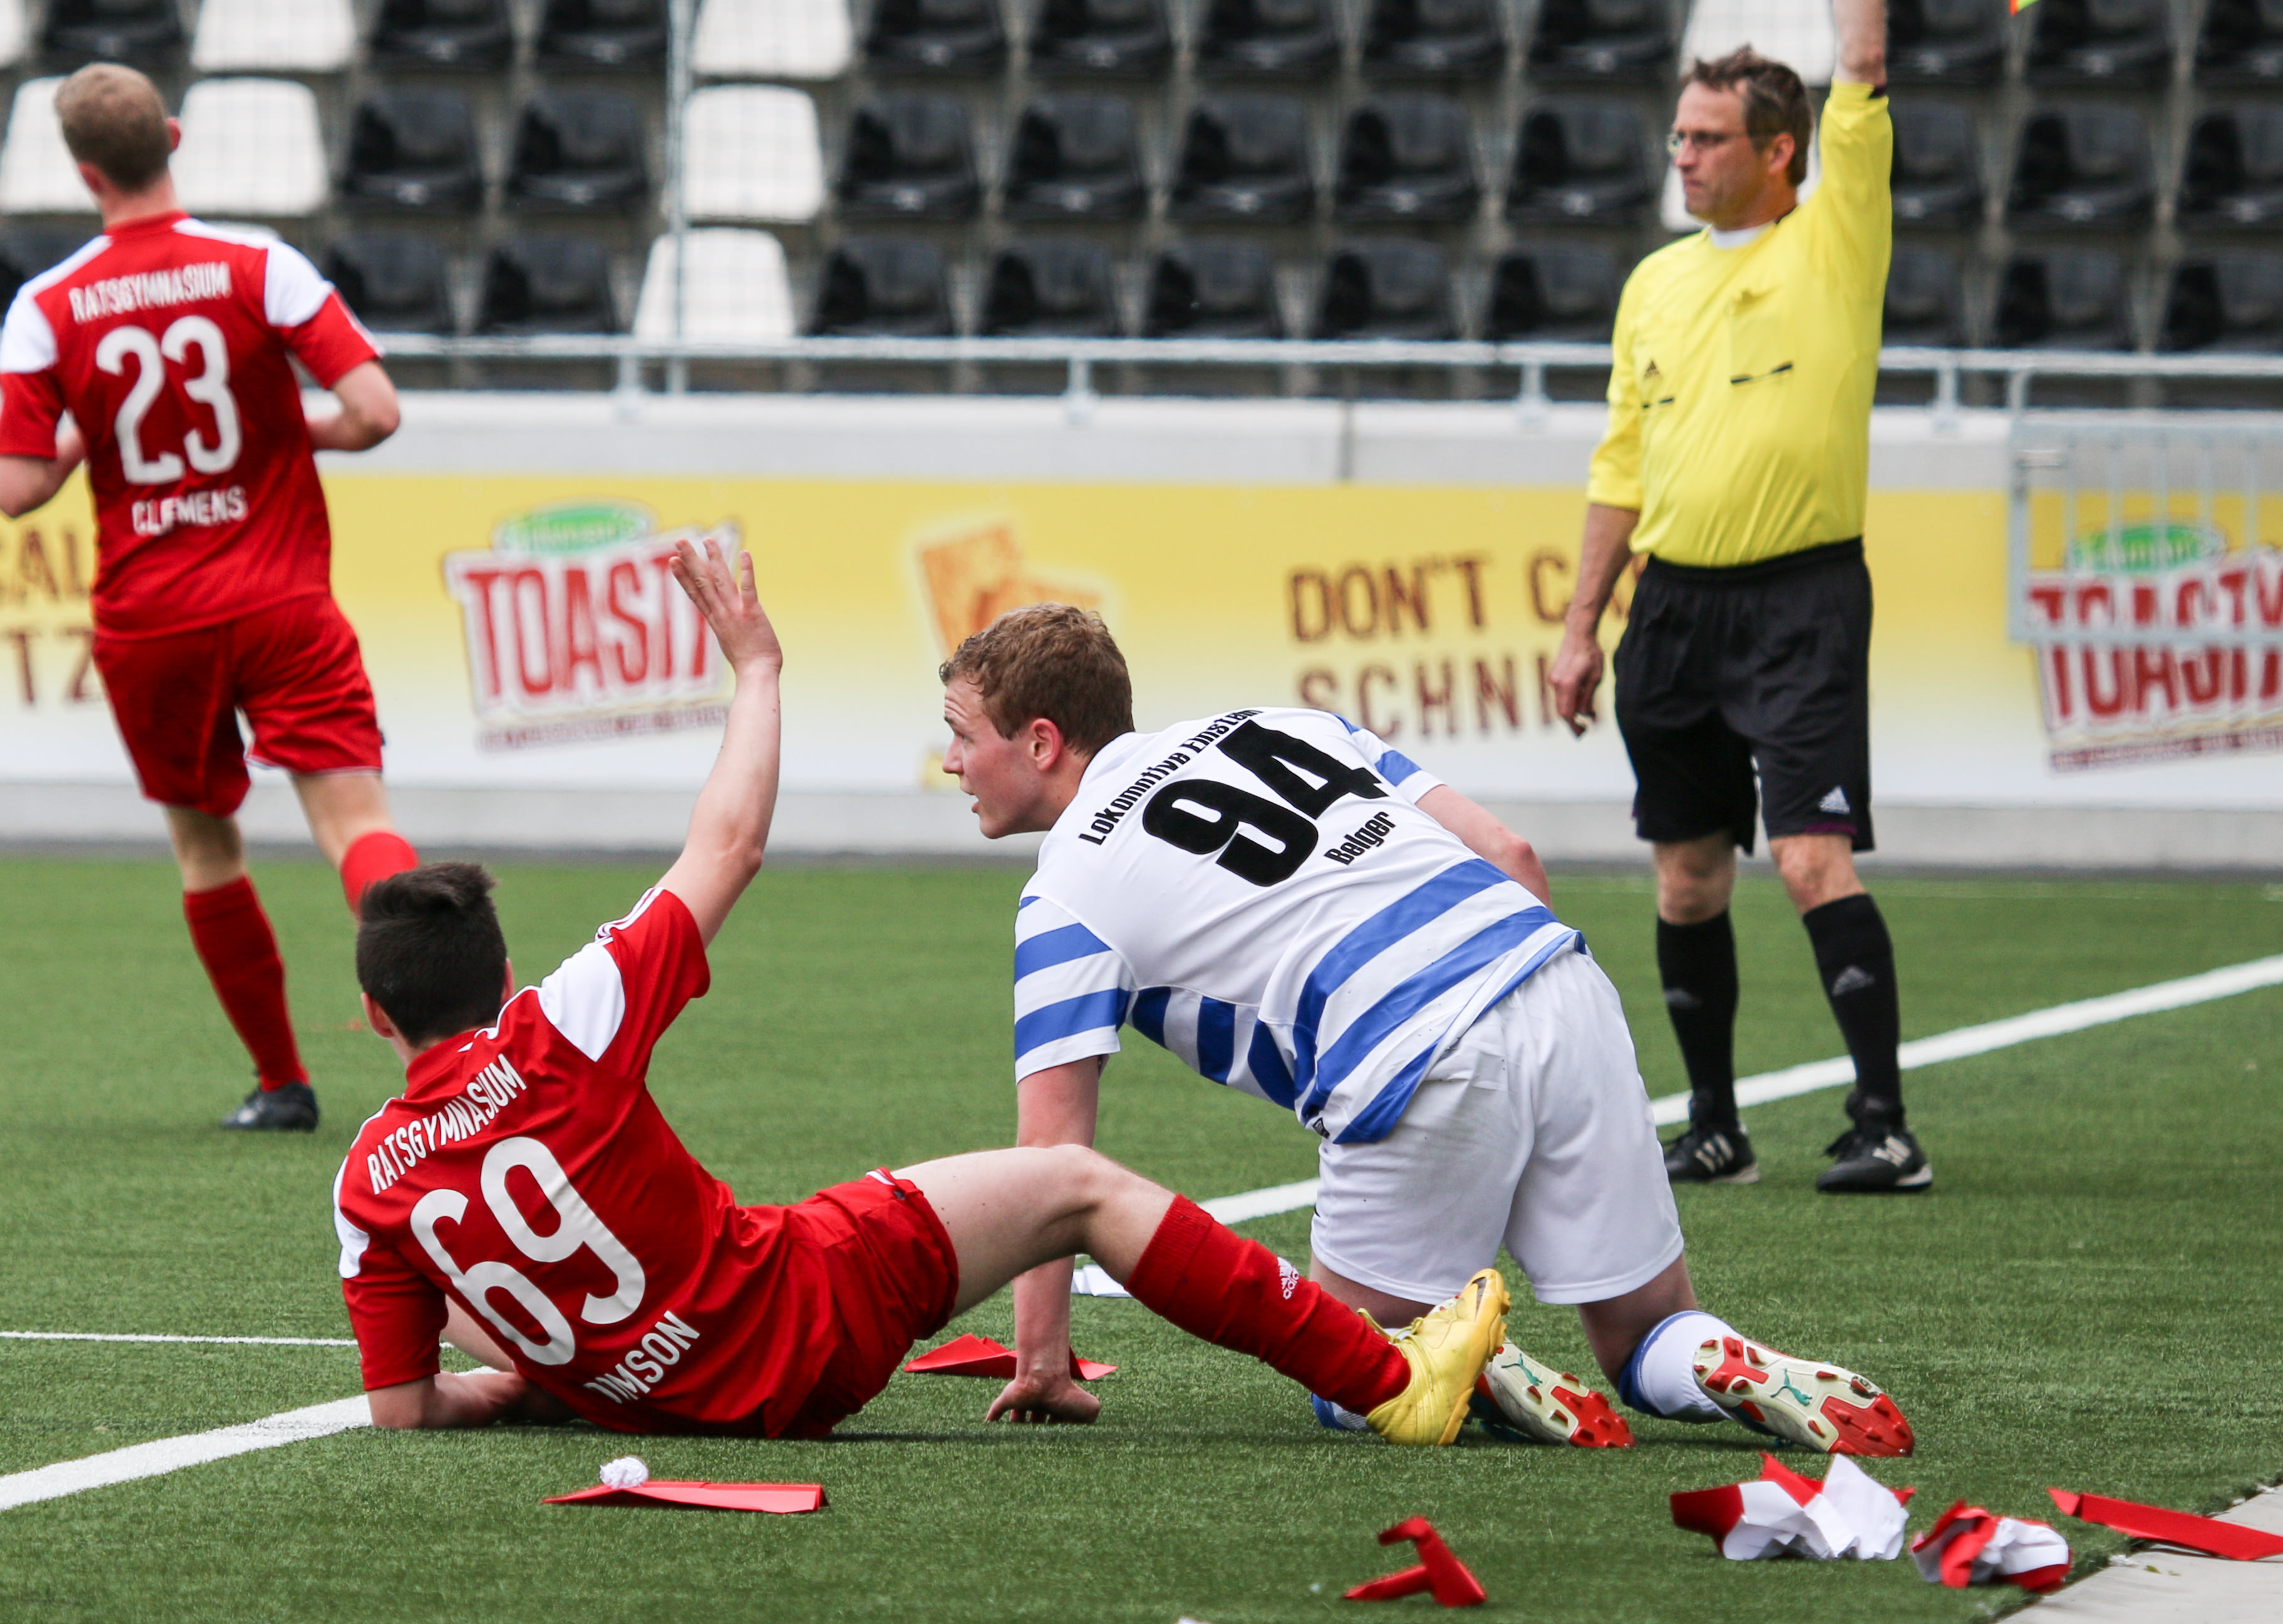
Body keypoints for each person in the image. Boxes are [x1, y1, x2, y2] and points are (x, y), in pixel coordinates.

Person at [335, 542, 1504, 1447]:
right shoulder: (555, 1028)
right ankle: (1389, 1378)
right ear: (502, 978)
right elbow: (728, 845)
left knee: (464, 1286)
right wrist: (757, 670)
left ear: (377, 1016)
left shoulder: (366, 1185)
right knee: (1076, 1185)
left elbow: (404, 1410)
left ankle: (590, 1366)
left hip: (662, 1400)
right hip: (808, 1318)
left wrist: (531, 1386)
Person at [939, 602, 1913, 1457]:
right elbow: (1512, 853)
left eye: (961, 735)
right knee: (1643, 1332)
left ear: (1041, 742)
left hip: (1409, 1051)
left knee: (1346, 1366)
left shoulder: (1064, 891)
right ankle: (1716, 1358)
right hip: (1557, 980)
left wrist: (1042, 1362)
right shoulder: (1284, 722)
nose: (950, 763)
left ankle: (1466, 1368)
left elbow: (1052, 1161)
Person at [1545, 0, 1926, 1197]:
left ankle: (1884, 1124)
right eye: (1678, 136)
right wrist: (1582, 625)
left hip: (1801, 598)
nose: (1685, 157)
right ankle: (1714, 1122)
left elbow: (1863, 59)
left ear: (1781, 153)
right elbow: (1621, 467)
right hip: (1675, 612)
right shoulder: (1655, 282)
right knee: (1686, 878)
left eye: (1709, 139)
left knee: (1812, 860)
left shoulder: (1834, 237)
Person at [0, 63, 422, 1133]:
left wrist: (92, 431)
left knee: (207, 850)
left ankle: (282, 1086)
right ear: (172, 138)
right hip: (282, 601)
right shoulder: (261, 266)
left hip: (153, 622)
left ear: (86, 175)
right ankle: (460, 1056)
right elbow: (375, 412)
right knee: (358, 827)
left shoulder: (46, 307)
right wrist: (285, 424)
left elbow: (14, 488)